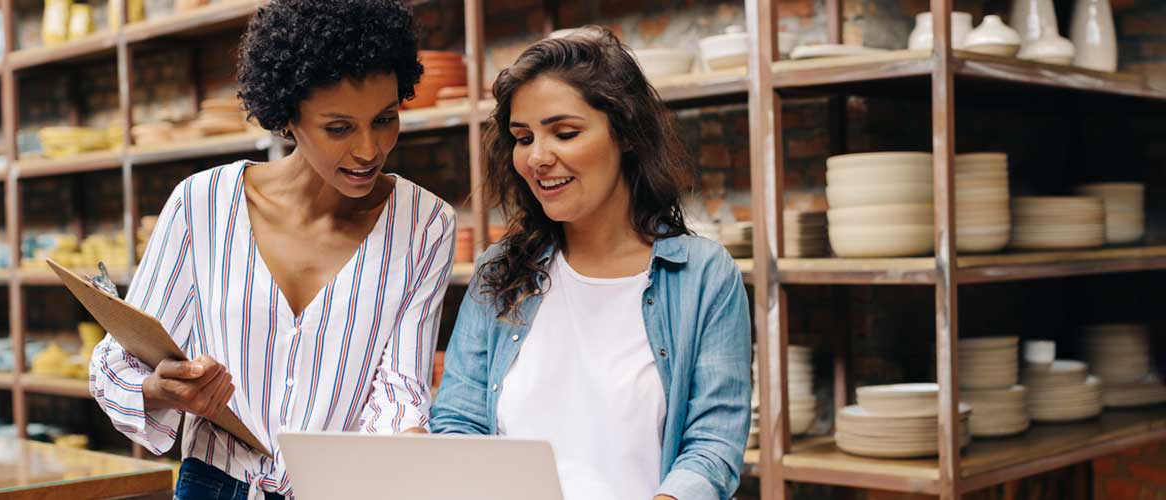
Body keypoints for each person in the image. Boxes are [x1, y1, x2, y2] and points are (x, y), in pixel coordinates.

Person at [89, 1, 454, 498]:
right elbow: (122, 361)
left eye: (385, 118)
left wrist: (411, 449)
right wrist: (162, 389)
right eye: (339, 128)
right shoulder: (204, 203)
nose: (369, 149)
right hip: (214, 484)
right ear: (288, 116)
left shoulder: (426, 223)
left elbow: (399, 387)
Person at [429, 26, 751, 500]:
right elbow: (458, 419)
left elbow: (713, 446)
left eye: (565, 132)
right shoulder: (500, 272)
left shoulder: (704, 276)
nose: (538, 157)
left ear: (626, 135)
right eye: (523, 137)